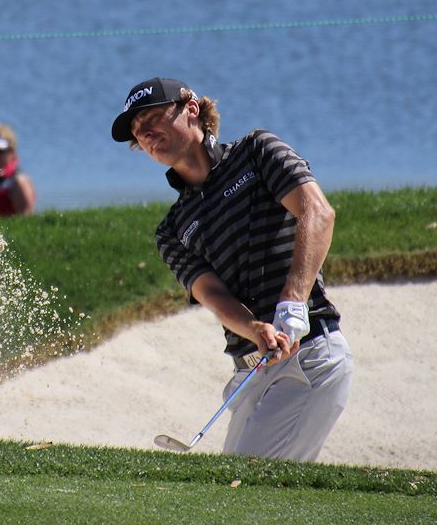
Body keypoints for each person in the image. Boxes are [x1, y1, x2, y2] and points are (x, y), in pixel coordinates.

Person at [111, 77, 352, 462]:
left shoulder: (256, 151)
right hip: (251, 373)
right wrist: (254, 329)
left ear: (191, 109)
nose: (147, 134)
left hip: (306, 357)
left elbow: (318, 213)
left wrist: (292, 302)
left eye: (154, 117)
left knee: (242, 494)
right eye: (139, 133)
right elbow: (213, 294)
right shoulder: (172, 228)